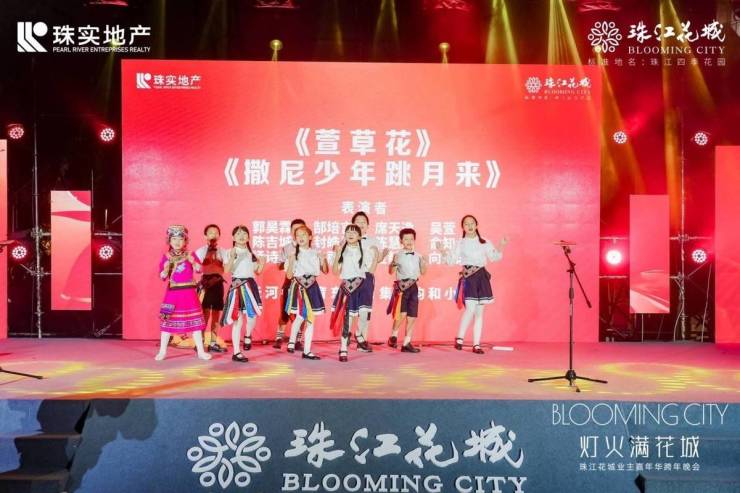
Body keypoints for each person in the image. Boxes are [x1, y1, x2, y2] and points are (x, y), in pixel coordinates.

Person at [441, 215, 507, 354]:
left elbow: (494, 257)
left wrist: (501, 245)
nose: (470, 226)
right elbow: (451, 261)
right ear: (463, 227)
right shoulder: (460, 243)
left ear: (476, 225)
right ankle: (460, 338)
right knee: (470, 309)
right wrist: (442, 251)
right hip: (469, 278)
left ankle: (476, 345)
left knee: (479, 313)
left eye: (472, 223)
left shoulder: (485, 242)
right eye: (466, 224)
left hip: (481, 278)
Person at [155, 225, 212, 361]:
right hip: (172, 294)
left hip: (189, 293)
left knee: (196, 324)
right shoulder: (166, 257)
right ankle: (162, 351)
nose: (177, 242)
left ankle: (200, 351)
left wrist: (194, 262)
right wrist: (165, 270)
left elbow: (199, 270)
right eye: (174, 239)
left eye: (180, 239)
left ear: (185, 241)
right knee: (167, 324)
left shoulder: (190, 254)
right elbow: (162, 276)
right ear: (169, 241)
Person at [330, 224, 377, 362]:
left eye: (354, 232)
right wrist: (337, 254)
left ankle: (358, 333)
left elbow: (370, 271)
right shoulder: (341, 250)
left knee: (364, 315)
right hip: (347, 288)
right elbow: (335, 271)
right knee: (348, 319)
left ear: (360, 236)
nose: (350, 234)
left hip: (362, 287)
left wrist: (376, 257)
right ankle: (343, 348)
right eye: (348, 232)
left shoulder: (365, 250)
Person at [222, 225, 265, 363]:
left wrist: (262, 263)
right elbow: (226, 270)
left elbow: (257, 271)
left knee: (252, 317)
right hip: (237, 286)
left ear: (248, 237)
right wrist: (232, 258)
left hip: (250, 286)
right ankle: (236, 352)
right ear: (233, 237)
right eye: (238, 234)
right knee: (238, 319)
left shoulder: (251, 254)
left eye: (244, 233)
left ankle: (247, 335)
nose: (241, 236)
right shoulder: (229, 252)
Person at [284, 225, 329, 360]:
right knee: (304, 317)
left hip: (312, 287)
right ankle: (303, 348)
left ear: (310, 237)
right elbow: (289, 275)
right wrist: (291, 261)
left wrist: (323, 259)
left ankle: (295, 344)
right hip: (299, 288)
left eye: (303, 234)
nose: (301, 237)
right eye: (298, 235)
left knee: (305, 318)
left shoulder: (315, 253)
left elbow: (325, 271)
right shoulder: (293, 254)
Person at [387, 228, 427, 353]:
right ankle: (393, 335)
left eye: (411, 239)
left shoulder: (419, 256)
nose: (409, 241)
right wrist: (393, 263)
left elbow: (423, 272)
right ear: (401, 241)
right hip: (402, 288)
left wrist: (424, 263)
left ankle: (406, 343)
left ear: (414, 240)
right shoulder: (397, 255)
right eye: (406, 239)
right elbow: (391, 272)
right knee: (402, 314)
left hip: (414, 287)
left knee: (412, 316)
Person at [194, 224, 228, 352]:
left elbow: (226, 269)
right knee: (205, 313)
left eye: (216, 232)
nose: (213, 234)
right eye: (210, 232)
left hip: (218, 282)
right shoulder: (200, 251)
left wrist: (220, 262)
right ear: (205, 236)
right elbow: (197, 269)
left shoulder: (223, 251)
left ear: (219, 236)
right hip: (206, 283)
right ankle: (200, 341)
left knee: (216, 313)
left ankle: (213, 342)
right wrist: (203, 262)